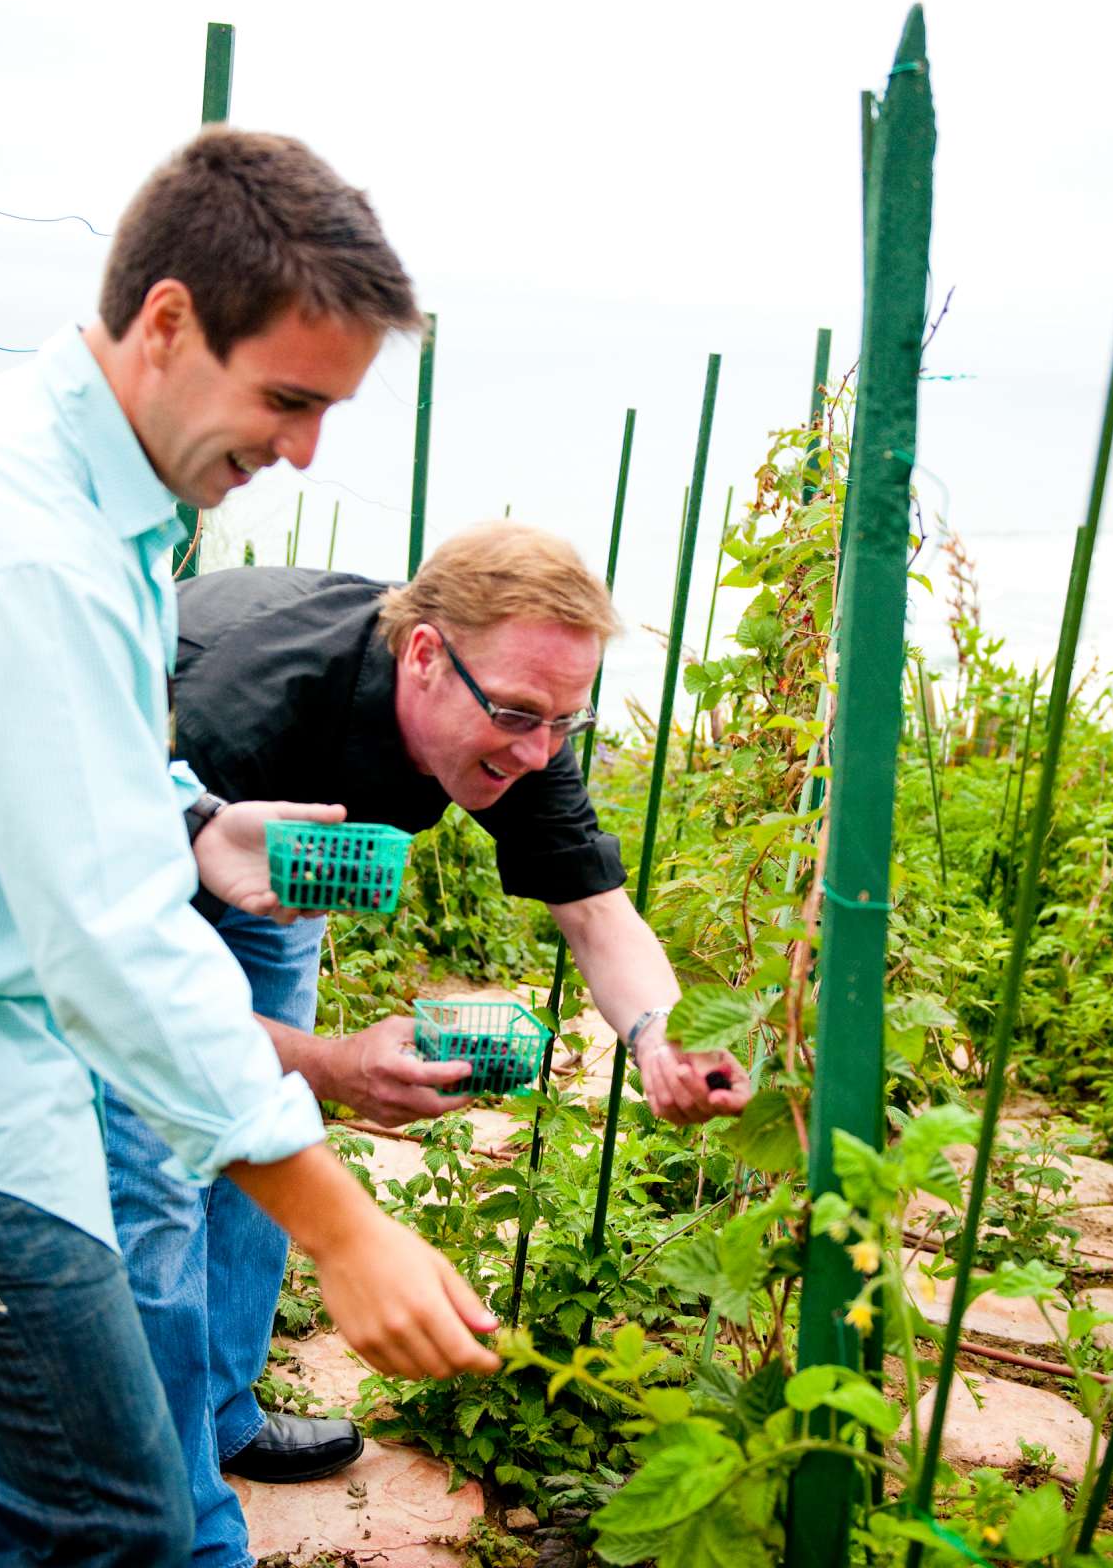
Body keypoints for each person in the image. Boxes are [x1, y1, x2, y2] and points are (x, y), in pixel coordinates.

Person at [0, 128, 497, 1567]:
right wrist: (341, 1227)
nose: (302, 449)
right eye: (286, 397)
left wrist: (195, 826)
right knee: (122, 1527)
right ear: (166, 324)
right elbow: (109, 944)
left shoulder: (67, 479)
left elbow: (44, 770)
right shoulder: (23, 541)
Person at [98, 520, 755, 1568]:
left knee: (279, 1120)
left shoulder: (516, 710)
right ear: (421, 655)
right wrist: (330, 1060)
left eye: (563, 720)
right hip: (141, 840)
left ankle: (222, 1409)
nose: (539, 750)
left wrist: (657, 1036)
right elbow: (126, 990)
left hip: (283, 856)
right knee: (159, 1171)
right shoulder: (239, 702)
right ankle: (178, 1522)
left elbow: (597, 913)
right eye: (517, 715)